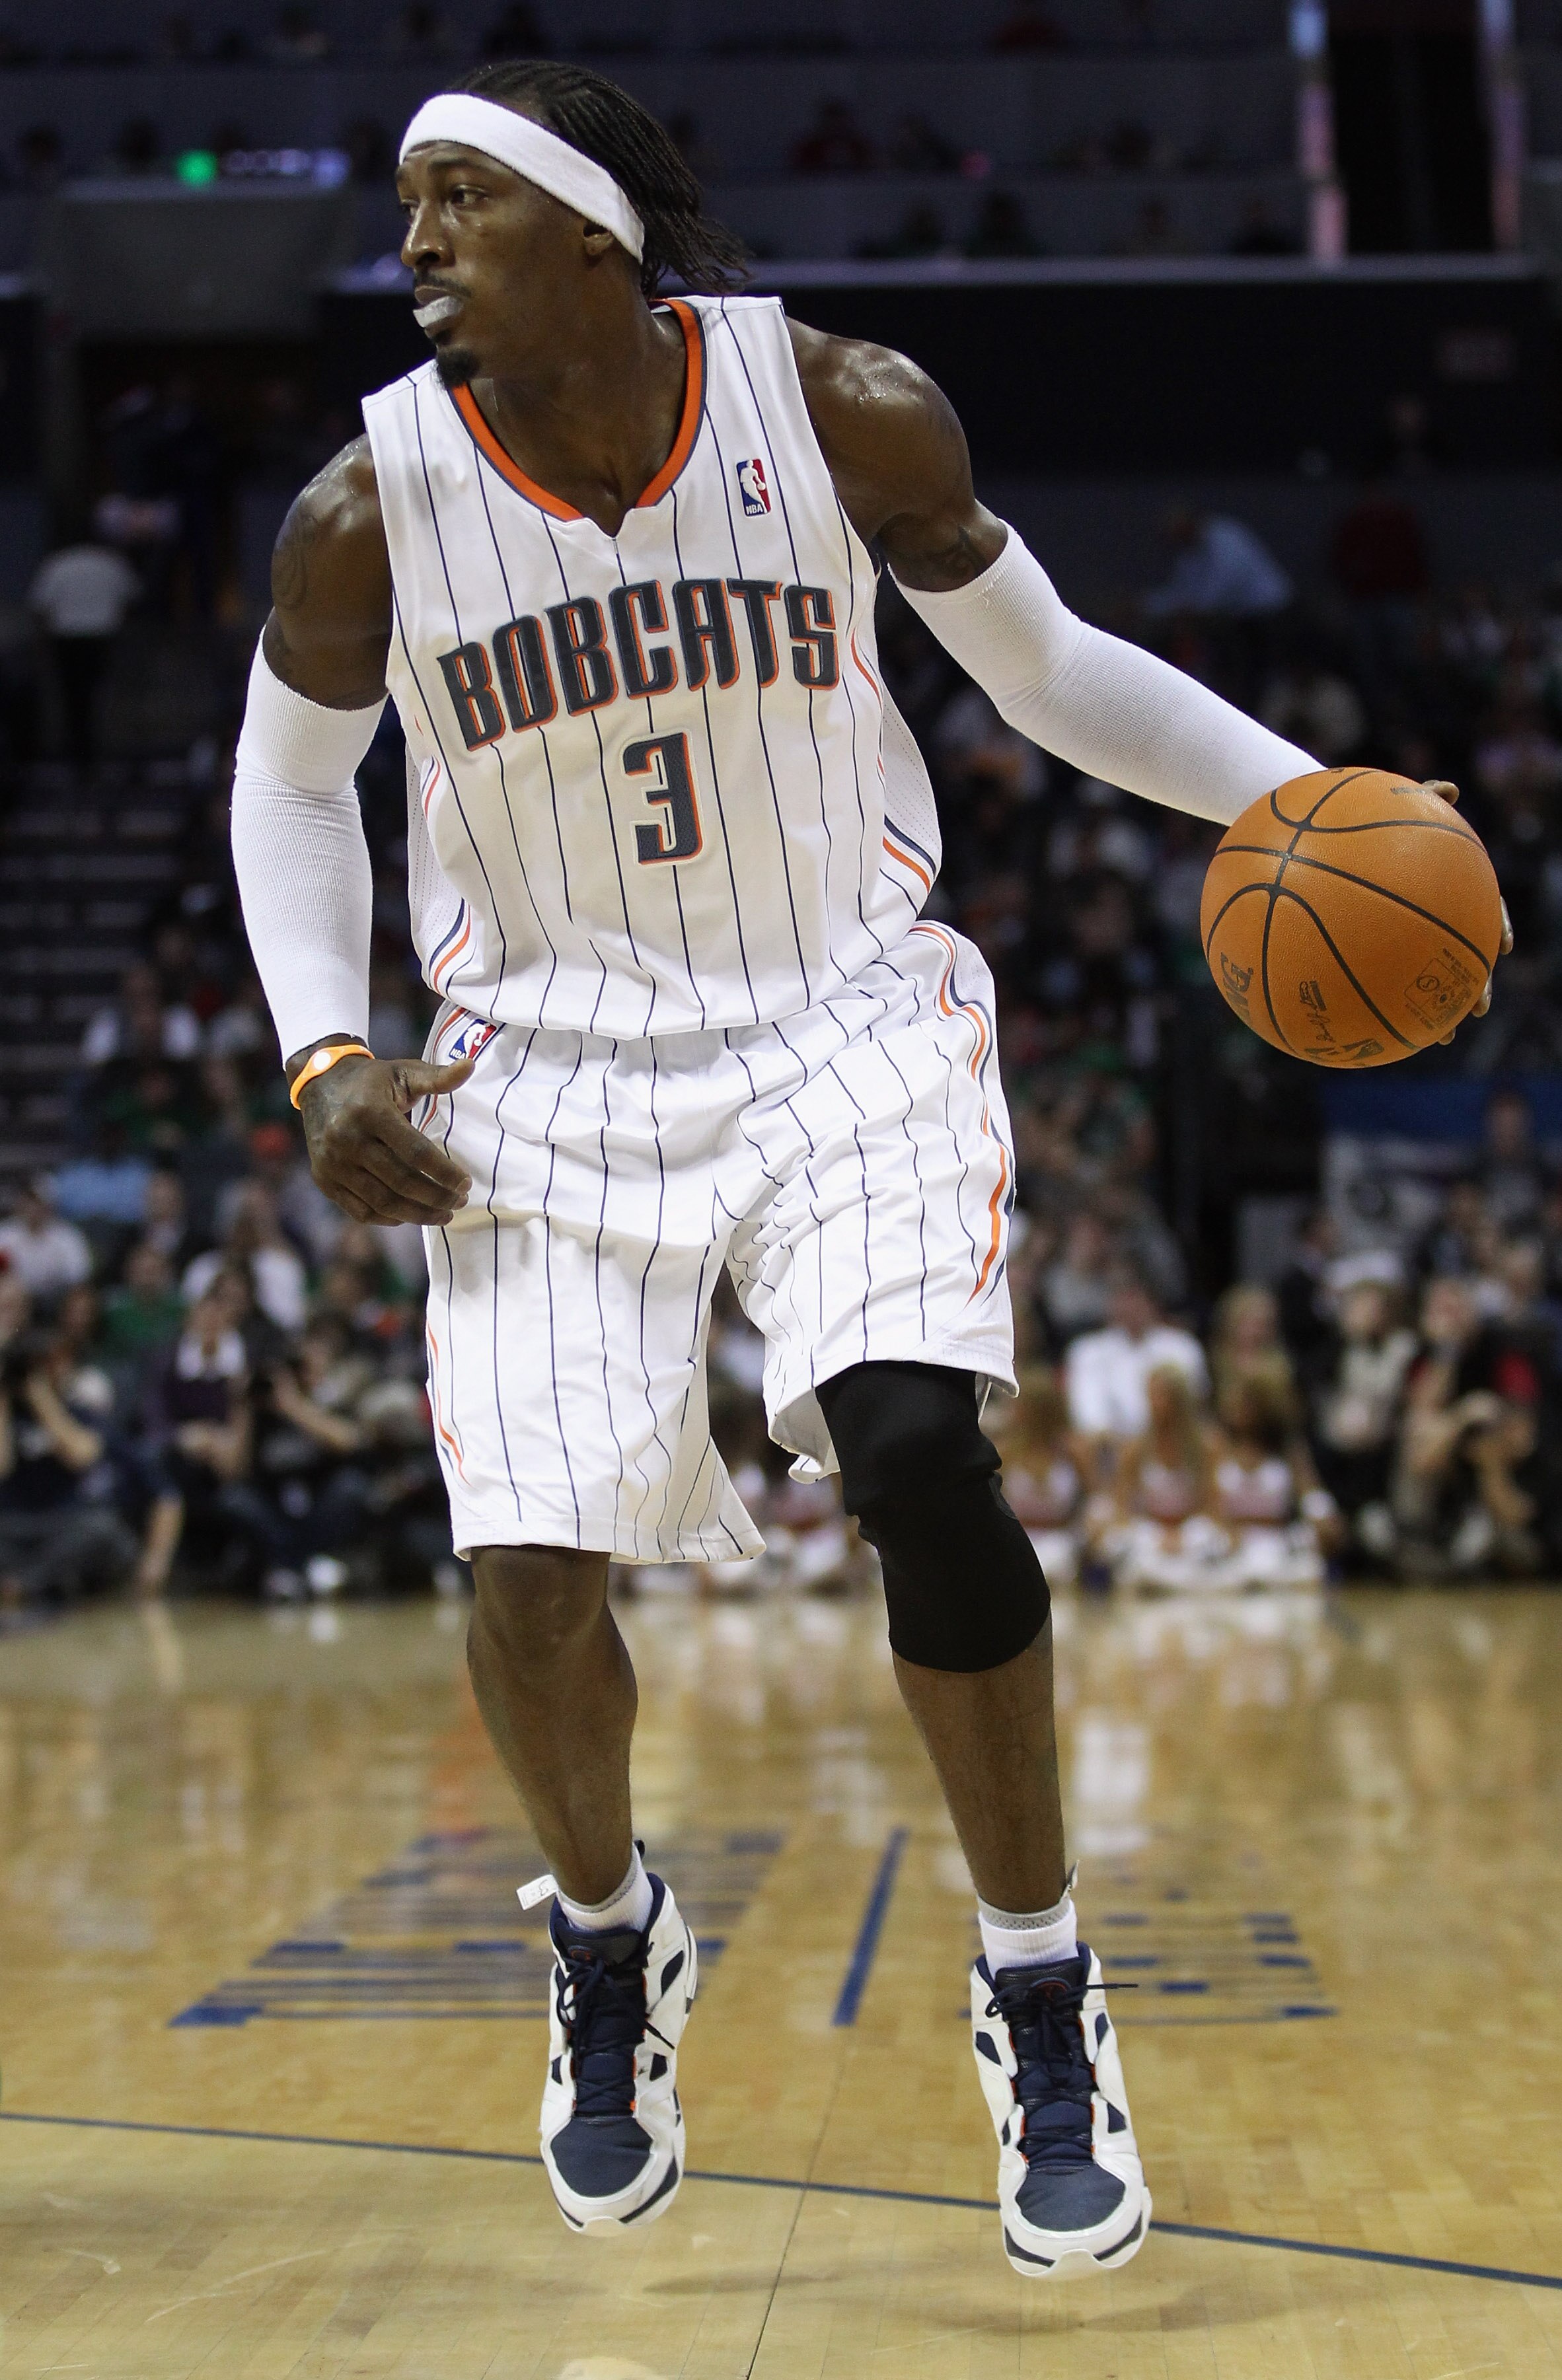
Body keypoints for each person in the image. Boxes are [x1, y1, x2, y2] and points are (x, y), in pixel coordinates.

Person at [225, 59, 1499, 2278]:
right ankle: (610, 1943)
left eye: (460, 201)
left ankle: (1036, 1977)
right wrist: (327, 1047)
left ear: (594, 237)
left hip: (838, 1003)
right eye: (411, 207)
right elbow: (289, 790)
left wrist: (1315, 799)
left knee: (919, 1448)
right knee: (529, 1571)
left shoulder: (840, 407)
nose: (415, 242)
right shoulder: (368, 508)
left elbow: (1052, 675)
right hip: (542, 1054)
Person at [28, 539, 139, 770]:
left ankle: (81, 749)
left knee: (74, 697)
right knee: (100, 694)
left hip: (67, 638)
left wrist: (43, 643)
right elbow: (132, 599)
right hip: (102, 636)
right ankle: (93, 749)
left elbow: (40, 606)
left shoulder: (59, 564)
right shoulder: (112, 563)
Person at [0, 1178, 93, 1301]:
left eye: (38, 1203)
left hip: (56, 1301)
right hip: (17, 1298)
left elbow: (80, 1275)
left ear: (49, 1206)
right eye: (29, 1201)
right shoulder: (5, 1234)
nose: (32, 1208)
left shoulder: (67, 1235)